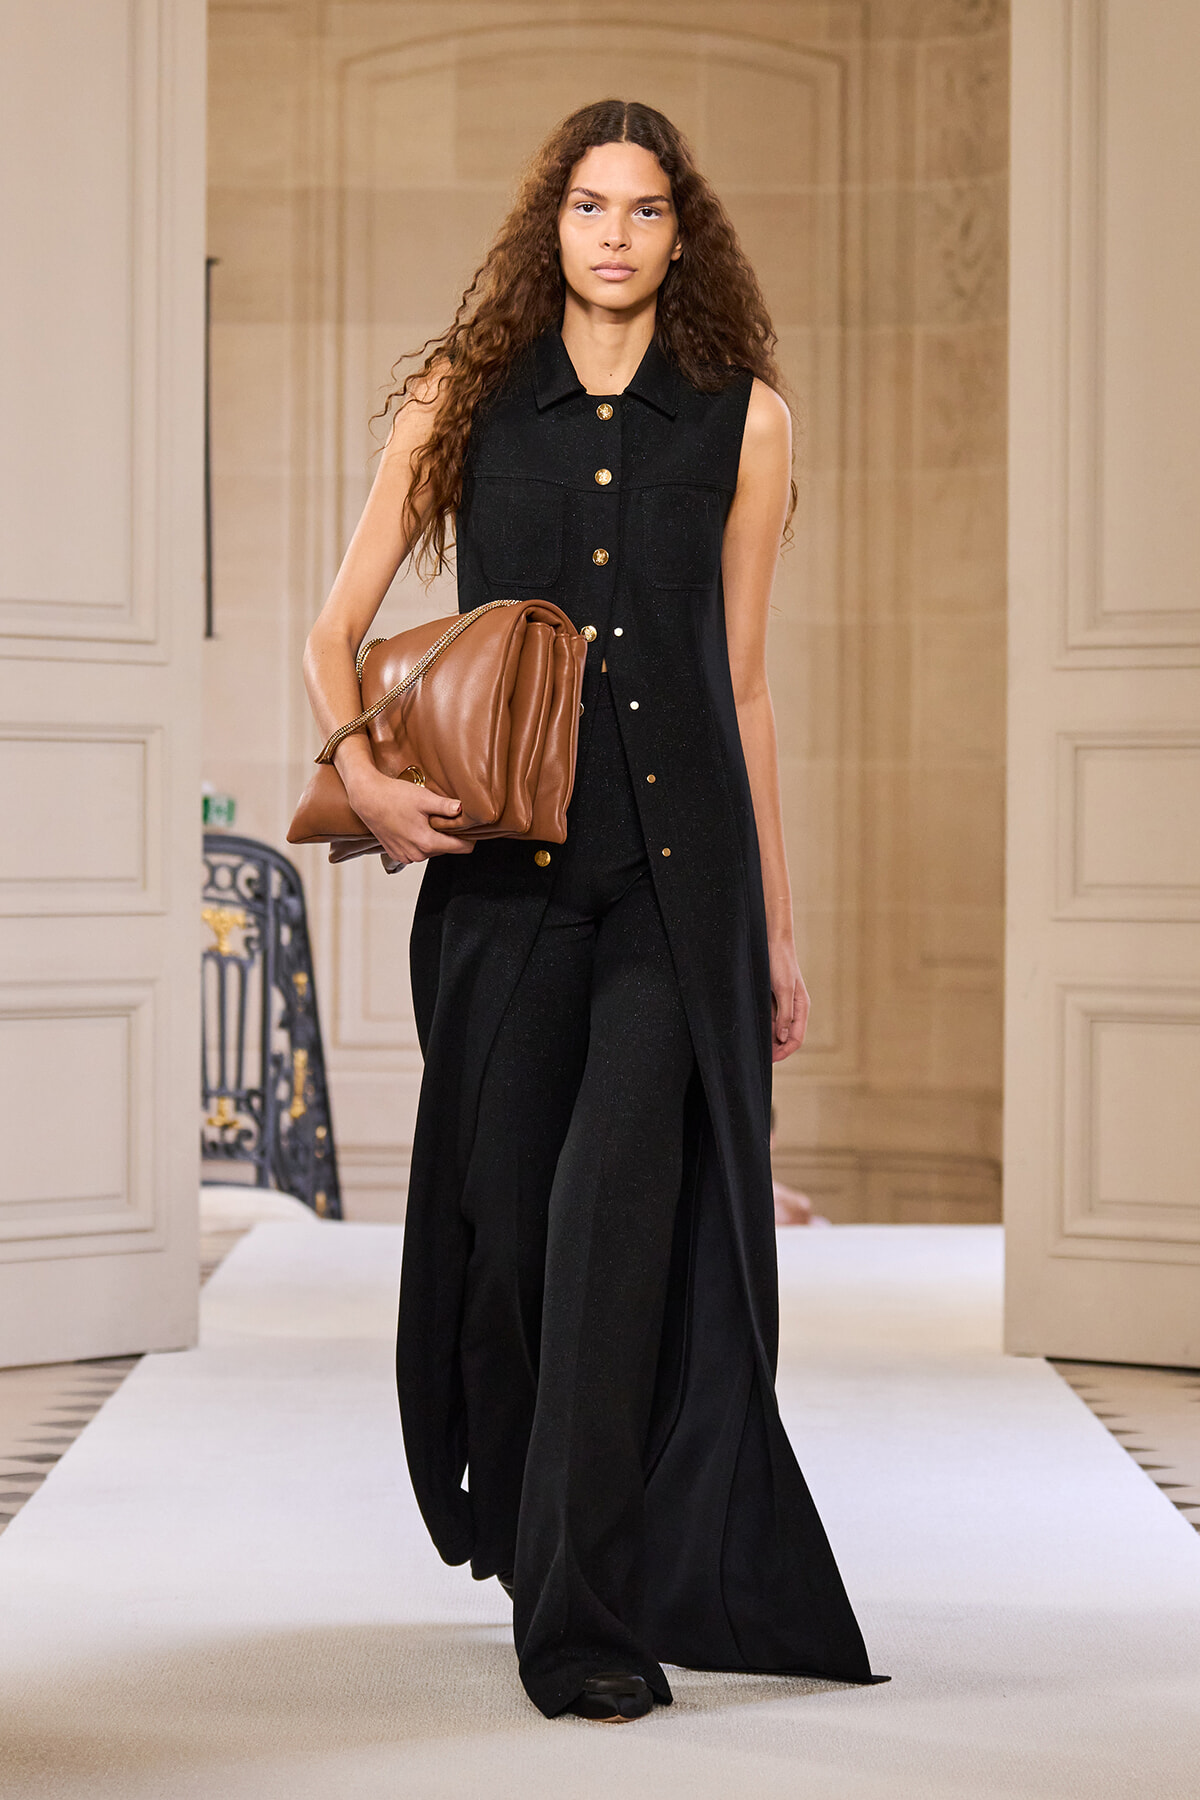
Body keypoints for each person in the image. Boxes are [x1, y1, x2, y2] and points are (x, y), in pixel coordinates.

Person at [303, 99, 879, 1723]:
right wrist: (363, 774)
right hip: (498, 895)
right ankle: (535, 1531)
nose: (614, 234)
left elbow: (743, 686)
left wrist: (776, 931)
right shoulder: (463, 401)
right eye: (587, 206)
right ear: (548, 225)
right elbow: (332, 631)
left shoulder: (744, 419)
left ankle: (583, 1620)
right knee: (504, 1250)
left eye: (643, 210)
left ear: (680, 235)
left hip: (672, 903)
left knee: (610, 1233)